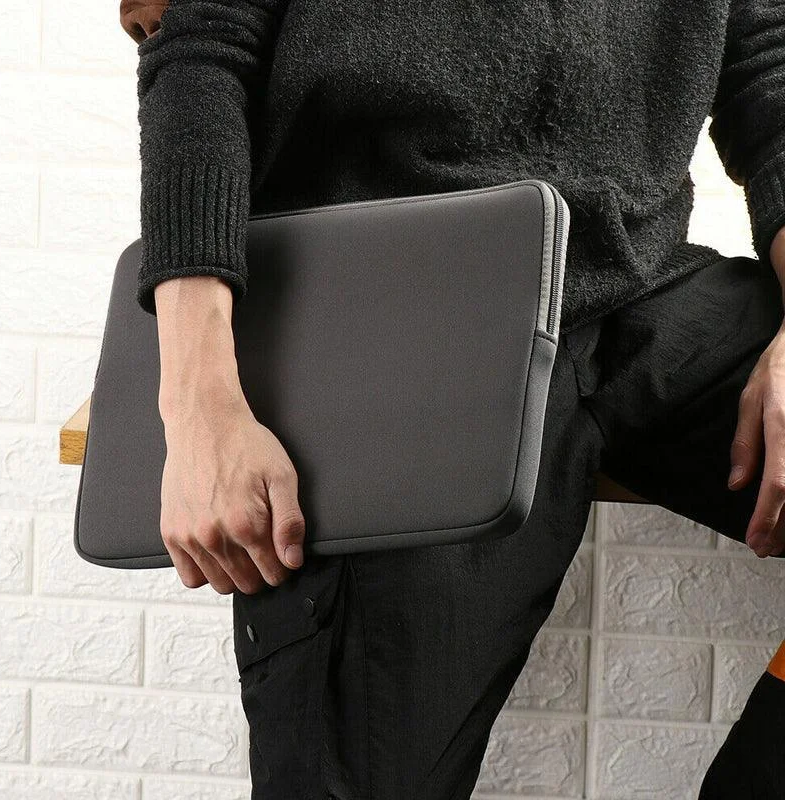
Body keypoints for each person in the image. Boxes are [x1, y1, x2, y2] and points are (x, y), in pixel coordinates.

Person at [119, 1, 785, 797]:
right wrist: (199, 408)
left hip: (637, 282)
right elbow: (202, 48)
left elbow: (769, 70)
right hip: (388, 307)